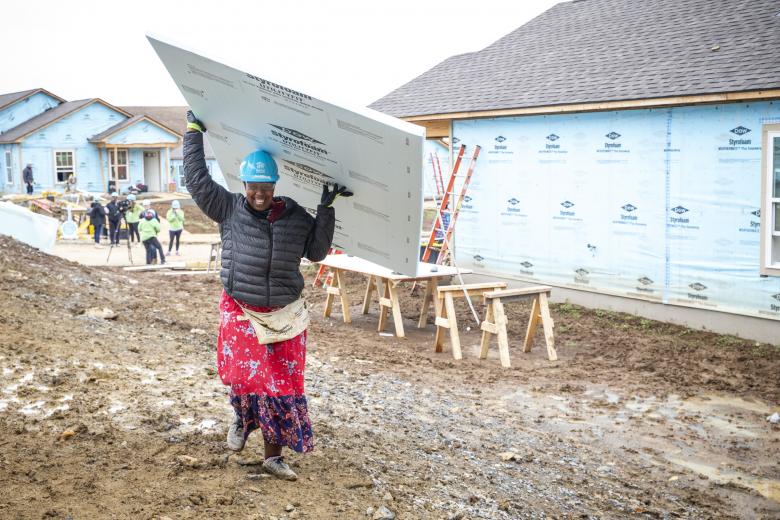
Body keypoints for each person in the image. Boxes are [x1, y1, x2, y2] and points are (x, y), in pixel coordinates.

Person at [184, 110, 351, 481]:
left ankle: (273, 456)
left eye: (266, 188)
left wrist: (327, 210)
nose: (258, 195)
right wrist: (194, 131)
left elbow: (317, 252)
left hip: (284, 314)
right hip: (241, 307)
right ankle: (243, 422)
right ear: (244, 184)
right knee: (246, 376)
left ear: (275, 186)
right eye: (252, 187)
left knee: (280, 385)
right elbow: (196, 179)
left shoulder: (295, 217)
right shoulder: (228, 208)